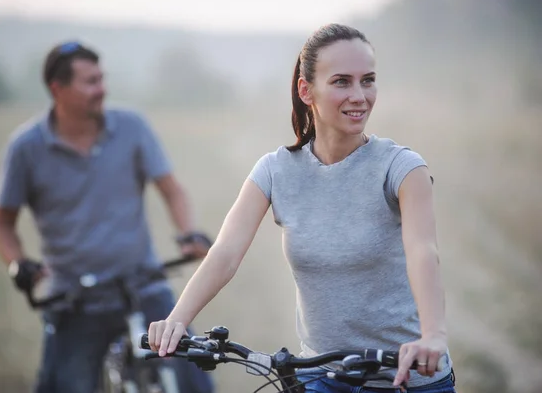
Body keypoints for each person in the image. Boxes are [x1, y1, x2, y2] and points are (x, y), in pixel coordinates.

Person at [147, 24, 457, 393]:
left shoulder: (403, 168)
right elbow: (226, 254)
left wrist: (433, 335)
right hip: (321, 378)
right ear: (305, 90)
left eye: (368, 80)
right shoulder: (275, 170)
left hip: (409, 379)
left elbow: (423, 252)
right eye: (342, 81)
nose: (359, 95)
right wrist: (178, 320)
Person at [0, 41, 215, 393]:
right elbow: (1, 222)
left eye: (101, 78)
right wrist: (19, 264)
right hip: (74, 301)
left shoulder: (132, 127)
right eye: (90, 81)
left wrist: (189, 232)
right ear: (57, 89)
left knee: (195, 380)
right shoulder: (26, 148)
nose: (101, 89)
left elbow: (172, 190)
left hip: (144, 287)